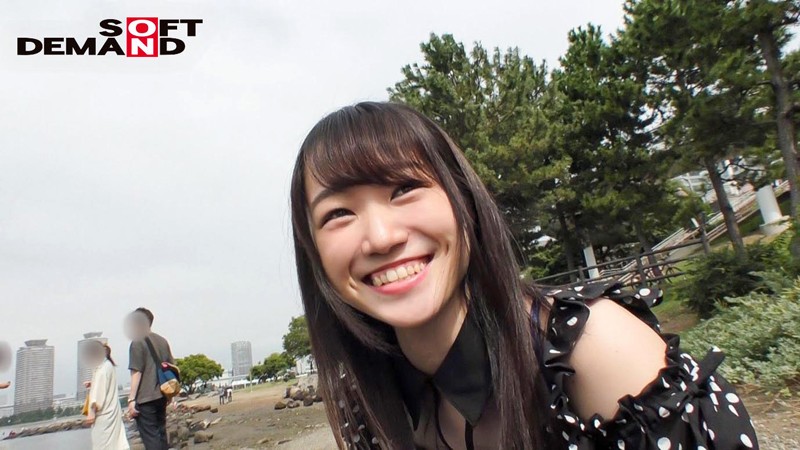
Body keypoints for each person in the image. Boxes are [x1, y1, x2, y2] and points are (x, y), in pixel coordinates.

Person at [289, 102, 759, 449]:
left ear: (464, 201)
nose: (381, 237)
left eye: (406, 188)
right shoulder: (364, 397)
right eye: (338, 214)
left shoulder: (594, 350)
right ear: (314, 252)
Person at [125, 307, 175, 450]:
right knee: (161, 435)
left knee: (151, 439)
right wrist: (171, 396)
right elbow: (171, 367)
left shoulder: (137, 342)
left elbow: (137, 372)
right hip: (162, 395)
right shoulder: (162, 341)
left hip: (145, 398)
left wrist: (131, 399)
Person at [83, 341, 130, 450]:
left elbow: (97, 397)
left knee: (103, 444)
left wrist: (91, 413)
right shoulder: (108, 365)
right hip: (113, 411)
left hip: (104, 415)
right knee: (115, 443)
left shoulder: (101, 369)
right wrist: (93, 383)